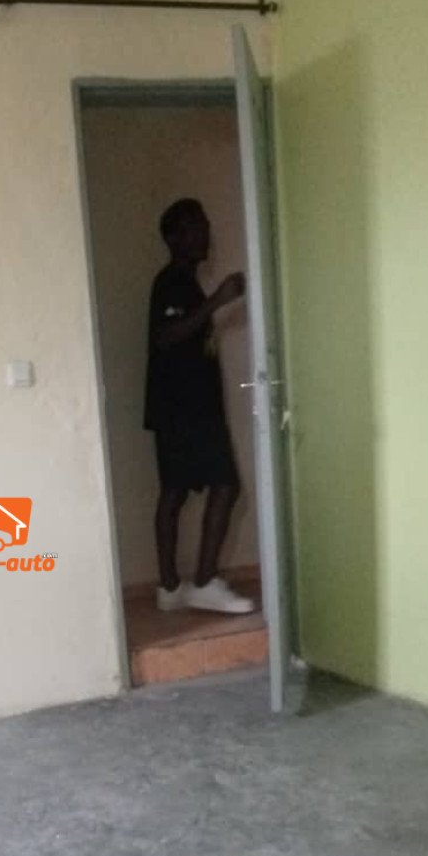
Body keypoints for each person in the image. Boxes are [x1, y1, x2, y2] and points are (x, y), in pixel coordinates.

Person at [144, 197, 255, 615]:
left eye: (205, 224)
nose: (205, 232)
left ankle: (170, 588)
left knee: (174, 492)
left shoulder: (186, 284)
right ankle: (204, 582)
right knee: (224, 485)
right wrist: (217, 301)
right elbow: (167, 336)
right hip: (183, 410)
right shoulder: (171, 282)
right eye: (195, 226)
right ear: (174, 237)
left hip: (184, 408)